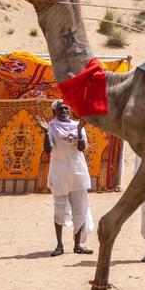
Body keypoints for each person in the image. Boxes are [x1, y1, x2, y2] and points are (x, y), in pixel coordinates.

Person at [43, 99, 93, 257]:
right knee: (59, 210)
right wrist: (45, 132)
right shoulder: (51, 127)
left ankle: (78, 245)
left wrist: (79, 130)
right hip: (60, 174)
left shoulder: (78, 125)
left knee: (80, 210)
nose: (64, 111)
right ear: (54, 112)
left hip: (78, 173)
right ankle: (59, 246)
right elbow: (48, 150)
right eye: (60, 109)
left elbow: (81, 148)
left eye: (66, 108)